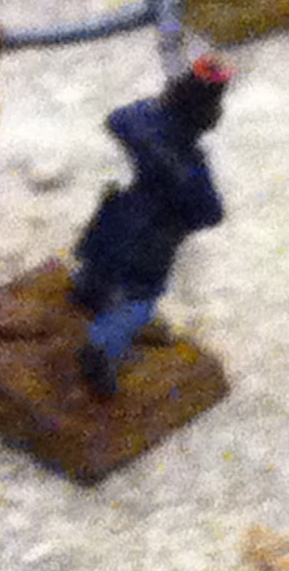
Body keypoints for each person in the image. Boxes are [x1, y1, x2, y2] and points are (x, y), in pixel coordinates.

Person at [70, 55, 230, 397]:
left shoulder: (143, 121)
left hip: (121, 212)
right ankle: (102, 347)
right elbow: (210, 213)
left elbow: (117, 119)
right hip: (153, 238)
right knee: (140, 297)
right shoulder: (191, 167)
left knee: (100, 263)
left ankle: (87, 292)